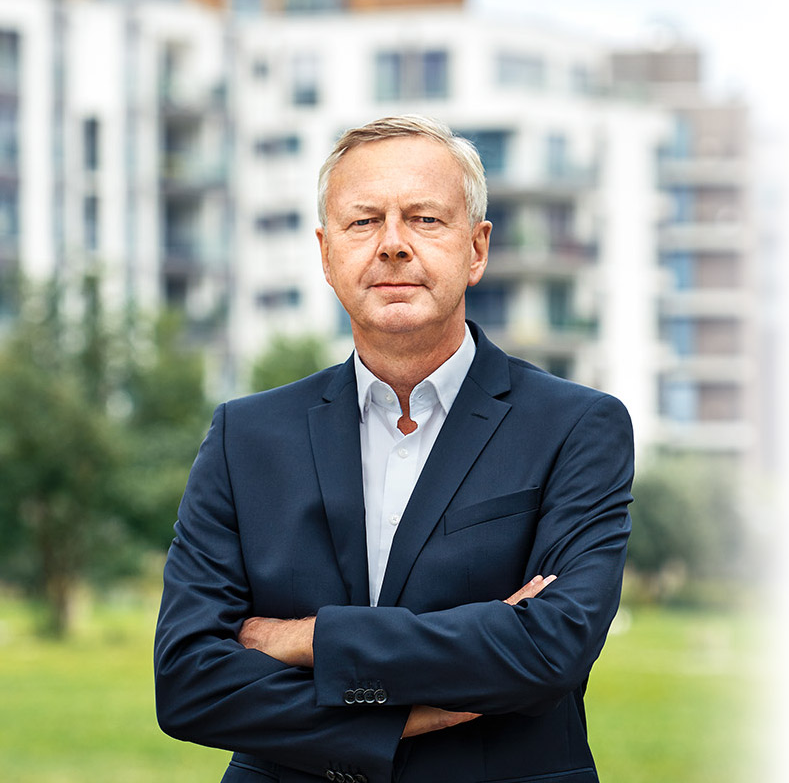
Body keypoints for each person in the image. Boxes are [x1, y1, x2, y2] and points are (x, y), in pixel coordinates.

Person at [154, 115, 633, 783]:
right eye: (362, 222)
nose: (393, 245)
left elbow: (552, 649)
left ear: (477, 248)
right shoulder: (246, 436)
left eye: (425, 219)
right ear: (325, 254)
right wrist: (392, 717)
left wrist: (311, 639)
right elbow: (188, 681)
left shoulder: (576, 426)